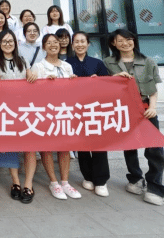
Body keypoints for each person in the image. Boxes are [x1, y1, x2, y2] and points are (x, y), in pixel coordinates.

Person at [104, 29, 164, 206]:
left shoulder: (148, 61)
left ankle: (154, 185)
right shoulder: (108, 62)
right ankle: (135, 179)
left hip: (145, 109)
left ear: (134, 41)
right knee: (129, 146)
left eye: (128, 39)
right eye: (120, 40)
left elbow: (153, 89)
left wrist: (153, 107)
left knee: (155, 148)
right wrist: (114, 78)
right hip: (123, 110)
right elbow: (102, 84)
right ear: (114, 43)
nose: (125, 43)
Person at [0, 30, 38, 205]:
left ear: (15, 43)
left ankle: (28, 184)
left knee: (30, 147)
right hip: (8, 110)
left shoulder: (23, 61)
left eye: (10, 41)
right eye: (4, 41)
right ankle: (16, 182)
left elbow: (30, 80)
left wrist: (33, 76)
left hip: (26, 110)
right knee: (11, 146)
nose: (8, 44)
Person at [35, 34, 82, 201]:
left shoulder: (67, 66)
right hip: (46, 111)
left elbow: (73, 91)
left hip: (65, 110)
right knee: (47, 147)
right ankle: (53, 182)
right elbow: (33, 90)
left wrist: (74, 82)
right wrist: (45, 83)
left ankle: (65, 182)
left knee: (64, 146)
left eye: (55, 42)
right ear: (44, 47)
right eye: (49, 43)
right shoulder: (38, 66)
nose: (53, 45)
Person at [67, 32, 110, 198]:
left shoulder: (98, 63)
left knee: (99, 145)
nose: (79, 44)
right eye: (76, 42)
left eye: (82, 41)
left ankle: (101, 180)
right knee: (82, 145)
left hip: (95, 109)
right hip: (76, 109)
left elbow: (108, 86)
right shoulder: (67, 63)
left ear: (88, 44)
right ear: (72, 45)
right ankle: (88, 177)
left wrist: (98, 80)